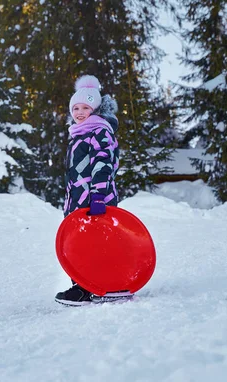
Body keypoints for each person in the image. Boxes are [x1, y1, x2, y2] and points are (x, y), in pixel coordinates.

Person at [54, 75, 130, 306]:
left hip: (96, 201)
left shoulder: (100, 131)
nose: (79, 112)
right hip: (78, 202)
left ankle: (98, 286)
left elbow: (103, 164)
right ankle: (84, 284)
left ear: (95, 109)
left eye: (85, 107)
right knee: (80, 244)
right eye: (75, 107)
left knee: (97, 244)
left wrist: (98, 195)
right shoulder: (79, 134)